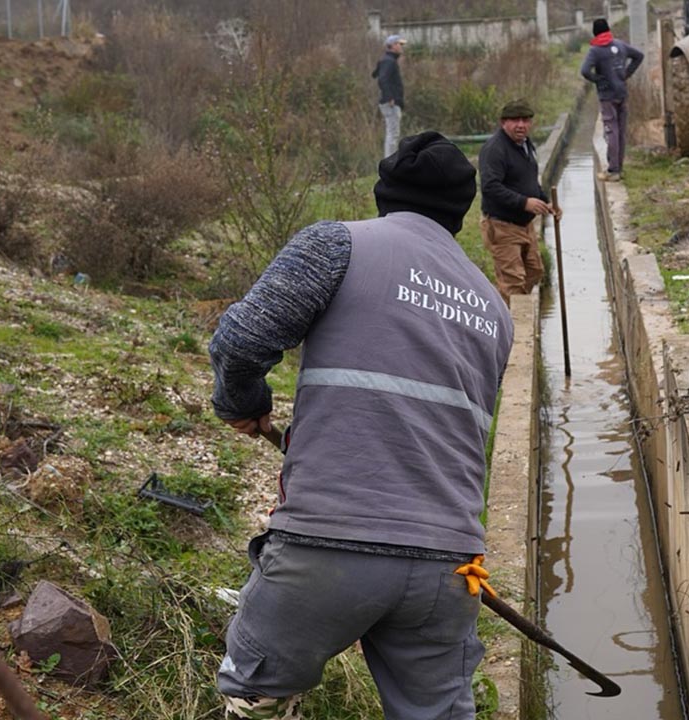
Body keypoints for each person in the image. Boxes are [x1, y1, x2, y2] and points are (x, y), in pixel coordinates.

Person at [210, 131, 514, 720]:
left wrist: (241, 403)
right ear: (461, 210)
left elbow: (242, 341)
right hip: (449, 566)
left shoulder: (337, 245)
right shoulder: (492, 306)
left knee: (259, 699)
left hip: (328, 545)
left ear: (384, 193)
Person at [478, 99, 562, 305]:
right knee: (513, 282)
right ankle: (511, 326)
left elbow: (529, 181)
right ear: (503, 123)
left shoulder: (525, 145)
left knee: (535, 270)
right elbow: (490, 187)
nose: (521, 125)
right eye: (515, 120)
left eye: (525, 120)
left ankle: (510, 308)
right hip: (502, 225)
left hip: (524, 225)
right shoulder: (495, 149)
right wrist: (524, 203)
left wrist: (546, 203)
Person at [580, 18, 644, 181]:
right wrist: (626, 74)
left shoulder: (595, 50)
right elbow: (639, 56)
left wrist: (597, 79)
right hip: (621, 93)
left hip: (607, 96)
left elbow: (585, 70)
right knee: (621, 131)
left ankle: (613, 170)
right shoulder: (620, 45)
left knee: (611, 131)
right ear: (608, 29)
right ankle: (619, 168)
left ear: (595, 33)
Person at [373, 34, 407, 158]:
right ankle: (390, 163)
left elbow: (376, 74)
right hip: (391, 103)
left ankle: (390, 161)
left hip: (391, 102)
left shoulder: (387, 60)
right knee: (393, 134)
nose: (401, 47)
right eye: (399, 44)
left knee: (393, 133)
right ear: (392, 46)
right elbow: (382, 79)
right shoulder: (389, 61)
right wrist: (390, 97)